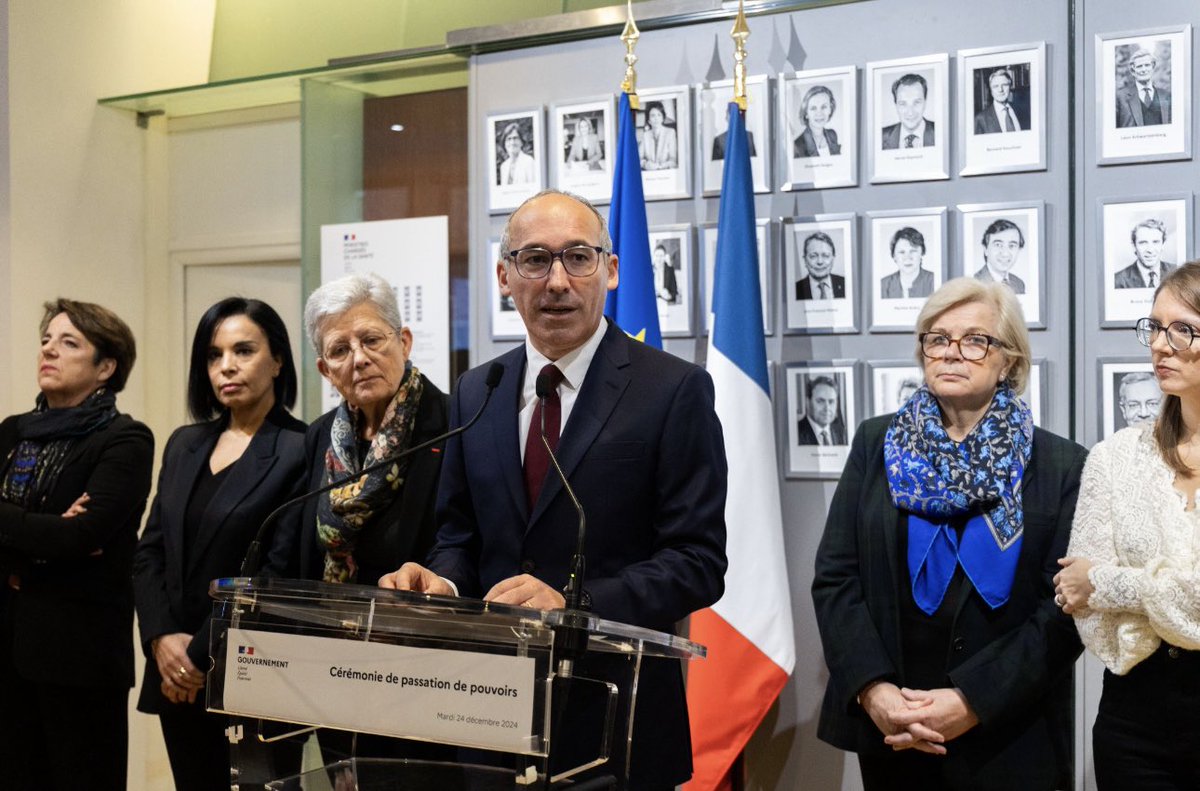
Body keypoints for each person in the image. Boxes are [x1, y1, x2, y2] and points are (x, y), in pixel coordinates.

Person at [379, 189, 728, 789]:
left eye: (578, 258)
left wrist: (576, 604)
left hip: (616, 722)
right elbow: (458, 534)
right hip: (487, 718)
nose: (557, 281)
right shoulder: (476, 391)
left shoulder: (673, 390)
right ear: (504, 276)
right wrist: (444, 581)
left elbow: (698, 564)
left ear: (611, 271)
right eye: (535, 260)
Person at [813, 278, 1086, 790]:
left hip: (1011, 736)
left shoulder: (1061, 464)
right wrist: (875, 690)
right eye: (937, 338)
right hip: (897, 730)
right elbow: (836, 579)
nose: (951, 353)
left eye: (974, 340)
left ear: (1008, 360)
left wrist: (972, 701)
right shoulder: (876, 443)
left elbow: (1063, 612)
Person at [132, 298, 306, 791]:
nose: (226, 366)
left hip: (251, 672)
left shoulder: (300, 446)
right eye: (214, 354)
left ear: (277, 361)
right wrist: (161, 639)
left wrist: (198, 653)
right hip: (174, 673)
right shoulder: (184, 443)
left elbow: (276, 572)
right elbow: (149, 553)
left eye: (244, 350)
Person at [1056, 262, 1200, 789]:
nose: (1161, 345)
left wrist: (1110, 581)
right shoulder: (1115, 456)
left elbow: (1092, 583)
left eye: (1183, 329)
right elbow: (1079, 601)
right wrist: (1101, 588)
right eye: (1155, 327)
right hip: (1135, 715)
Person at [0, 298, 154, 791]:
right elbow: (65, 540)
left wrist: (19, 536)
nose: (50, 350)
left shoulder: (124, 440)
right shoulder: (11, 432)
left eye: (69, 343)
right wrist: (48, 534)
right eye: (47, 340)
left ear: (105, 367)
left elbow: (83, 536)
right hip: (7, 645)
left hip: (79, 655)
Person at [268, 271, 448, 586]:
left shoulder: (451, 423)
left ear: (404, 343)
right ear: (326, 370)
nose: (360, 359)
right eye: (340, 350)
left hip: (416, 620)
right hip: (330, 624)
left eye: (371, 340)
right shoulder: (320, 435)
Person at [1116, 47, 1171, 128]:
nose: (1144, 70)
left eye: (1147, 65)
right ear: (1133, 71)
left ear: (1153, 67)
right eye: (1139, 66)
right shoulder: (1120, 97)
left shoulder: (1166, 96)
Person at [1115, 219, 1176, 289]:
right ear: (1134, 246)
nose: (1150, 250)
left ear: (1163, 245)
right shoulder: (1118, 281)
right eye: (1143, 243)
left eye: (1155, 242)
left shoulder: (1177, 272)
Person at [882, 73, 936, 150]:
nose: (910, 112)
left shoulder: (941, 133)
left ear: (925, 102)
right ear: (896, 105)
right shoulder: (880, 137)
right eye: (903, 104)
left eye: (916, 102)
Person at [973, 219, 1027, 294]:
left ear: (1019, 250)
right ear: (986, 249)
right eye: (998, 245)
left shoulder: (1019, 284)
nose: (1005, 253)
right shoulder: (973, 284)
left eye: (1012, 245)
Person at [880, 227, 935, 299]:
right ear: (894, 256)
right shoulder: (883, 285)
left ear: (922, 253)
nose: (907, 258)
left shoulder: (934, 281)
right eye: (902, 252)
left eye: (913, 251)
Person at [973, 68, 1029, 134]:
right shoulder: (980, 119)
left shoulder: (1022, 111)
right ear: (991, 91)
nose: (1000, 90)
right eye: (995, 86)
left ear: (1010, 87)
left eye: (1004, 85)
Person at [797, 375, 847, 446]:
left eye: (831, 401)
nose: (827, 408)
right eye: (820, 401)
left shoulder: (842, 432)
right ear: (808, 402)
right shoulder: (795, 432)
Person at [796, 231, 846, 300]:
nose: (820, 262)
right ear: (805, 260)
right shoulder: (796, 289)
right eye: (813, 256)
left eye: (825, 256)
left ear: (833, 258)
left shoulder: (845, 284)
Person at [794, 84, 842, 157]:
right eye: (813, 108)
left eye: (824, 107)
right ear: (806, 113)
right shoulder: (797, 145)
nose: (819, 113)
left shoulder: (832, 135)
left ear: (830, 109)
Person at [638, 101, 678, 170]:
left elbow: (673, 160)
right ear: (649, 120)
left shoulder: (671, 133)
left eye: (659, 115)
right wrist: (645, 164)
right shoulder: (645, 135)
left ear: (663, 118)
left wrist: (659, 166)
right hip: (650, 176)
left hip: (666, 174)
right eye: (653, 115)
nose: (656, 118)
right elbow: (638, 159)